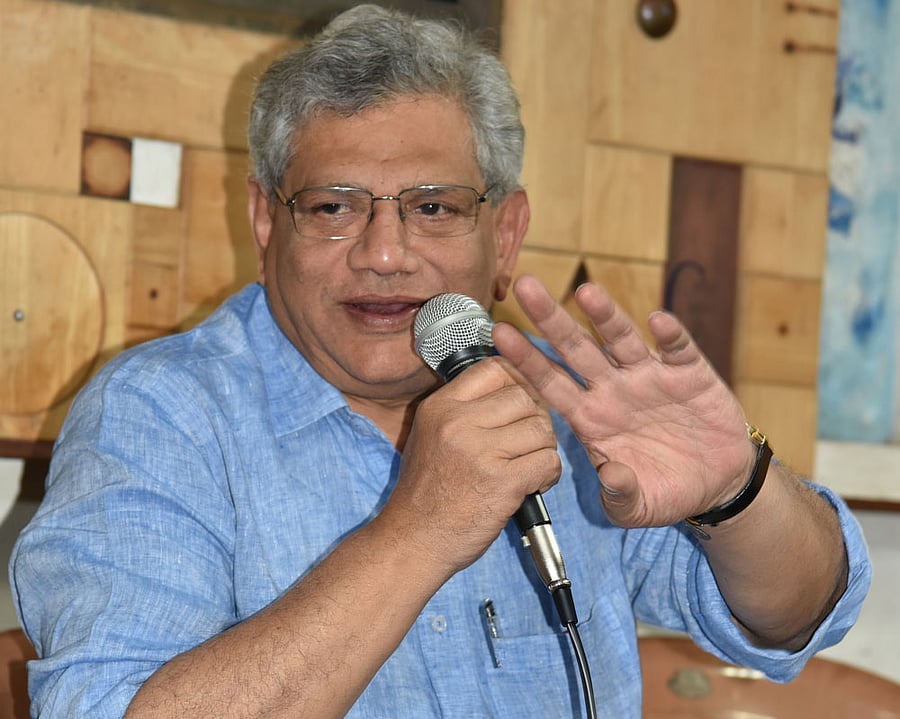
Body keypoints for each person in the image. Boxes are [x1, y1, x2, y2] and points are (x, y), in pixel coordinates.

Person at [11, 5, 870, 718]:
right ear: (268, 223)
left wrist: (739, 491)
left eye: (432, 206)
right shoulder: (156, 416)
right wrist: (421, 527)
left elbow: (799, 613)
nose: (385, 254)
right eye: (334, 205)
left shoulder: (570, 405)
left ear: (505, 234)